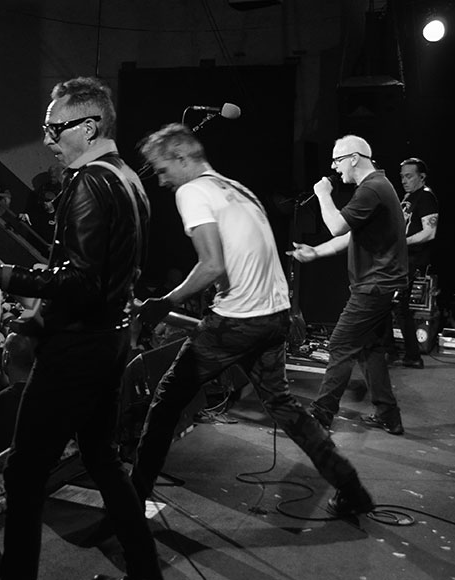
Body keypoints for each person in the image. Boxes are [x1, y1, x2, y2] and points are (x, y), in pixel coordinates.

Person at [0, 76, 161, 580]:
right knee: (103, 459)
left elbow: (82, 279)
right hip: (111, 340)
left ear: (88, 127)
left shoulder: (89, 181)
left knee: (23, 475)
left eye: (54, 127)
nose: (46, 139)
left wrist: (1, 274)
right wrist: (43, 315)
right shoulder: (129, 179)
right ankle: (144, 569)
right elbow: (107, 276)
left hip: (78, 349)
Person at [135, 123, 374, 521]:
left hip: (237, 323)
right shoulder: (236, 187)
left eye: (161, 170)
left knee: (164, 405)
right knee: (283, 406)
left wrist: (164, 302)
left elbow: (212, 264)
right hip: (275, 317)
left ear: (181, 158)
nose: (160, 180)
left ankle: (131, 501)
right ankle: (352, 487)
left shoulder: (191, 191)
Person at [288, 135, 408, 436]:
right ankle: (388, 415)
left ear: (354, 158)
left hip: (374, 286)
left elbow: (338, 224)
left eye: (337, 160)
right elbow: (346, 236)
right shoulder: (377, 186)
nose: (334, 167)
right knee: (370, 348)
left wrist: (322, 194)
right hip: (382, 285)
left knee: (341, 345)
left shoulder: (372, 188)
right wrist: (316, 252)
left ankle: (320, 416)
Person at [392, 157, 439, 369]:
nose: (404, 180)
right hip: (402, 258)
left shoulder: (426, 197)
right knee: (393, 306)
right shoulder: (410, 197)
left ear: (422, 177)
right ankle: (398, 353)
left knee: (398, 305)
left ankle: (410, 355)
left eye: (409, 176)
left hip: (412, 259)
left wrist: (402, 243)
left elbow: (429, 233)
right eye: (402, 176)